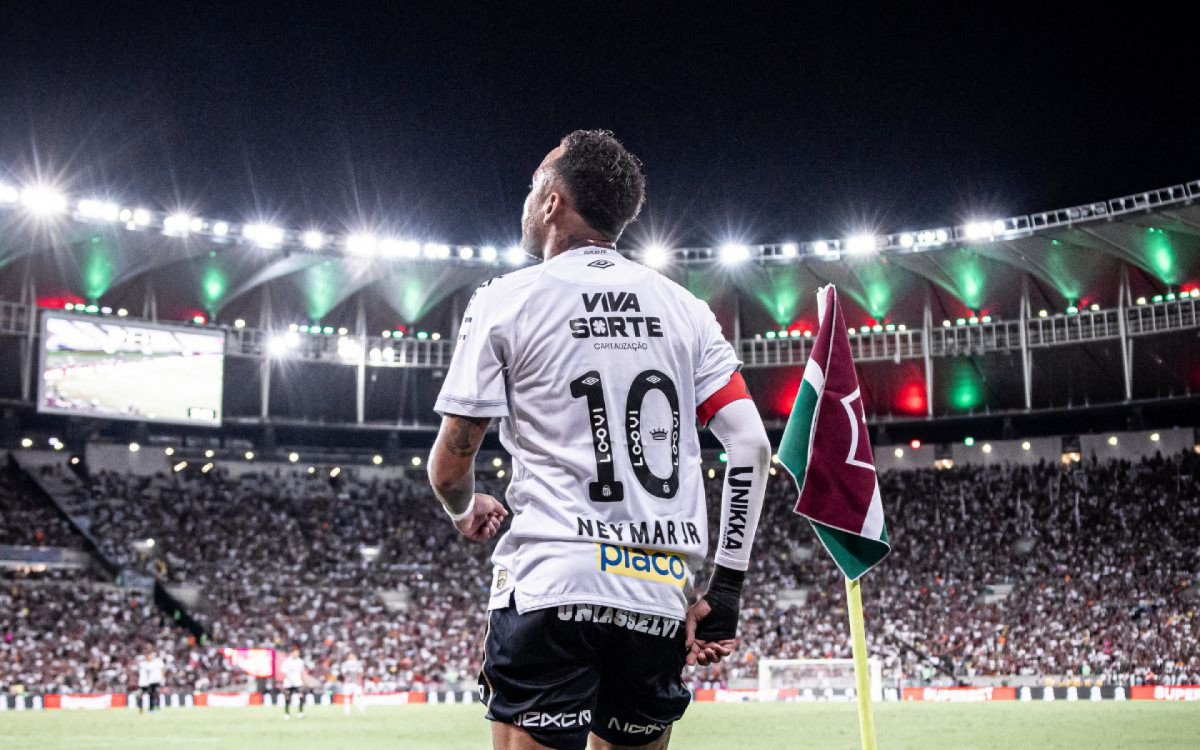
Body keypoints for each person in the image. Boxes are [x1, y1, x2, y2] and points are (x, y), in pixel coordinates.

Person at [429, 130, 770, 750]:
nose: (527, 200)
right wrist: (725, 588)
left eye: (533, 186)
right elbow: (750, 446)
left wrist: (462, 507)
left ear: (552, 202)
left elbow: (450, 467)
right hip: (656, 592)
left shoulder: (506, 300)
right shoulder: (686, 309)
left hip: (552, 584)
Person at [280, 646, 307, 719]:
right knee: (287, 697)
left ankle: (301, 712)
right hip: (288, 682)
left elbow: (301, 672)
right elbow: (284, 671)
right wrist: (290, 679)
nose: (297, 654)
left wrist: (303, 681)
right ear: (292, 653)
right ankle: (287, 713)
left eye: (298, 653)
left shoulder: (300, 661)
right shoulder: (287, 661)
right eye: (296, 653)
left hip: (298, 682)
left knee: (301, 695)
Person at [141, 647, 165, 713]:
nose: (148, 657)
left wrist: (162, 678)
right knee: (151, 695)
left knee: (157, 694)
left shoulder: (158, 662)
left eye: (149, 655)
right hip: (151, 681)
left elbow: (162, 670)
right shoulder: (147, 663)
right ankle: (151, 708)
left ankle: (157, 707)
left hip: (157, 681)